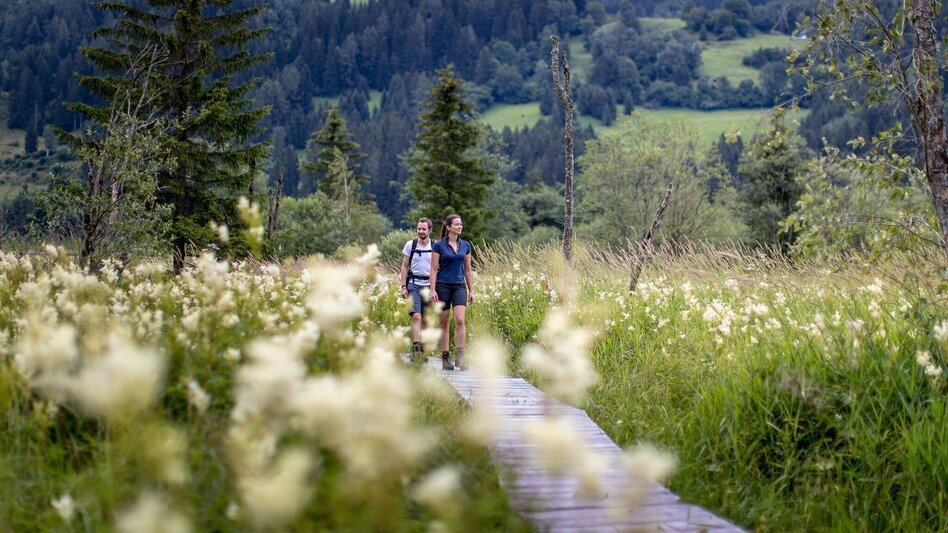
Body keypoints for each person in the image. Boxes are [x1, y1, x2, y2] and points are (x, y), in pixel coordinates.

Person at [429, 214, 474, 370]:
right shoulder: (438, 246)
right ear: (448, 227)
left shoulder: (466, 246)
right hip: (442, 286)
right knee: (444, 322)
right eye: (456, 224)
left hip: (459, 286)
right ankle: (445, 357)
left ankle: (460, 357)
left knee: (460, 320)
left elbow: (468, 270)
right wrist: (432, 289)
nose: (460, 227)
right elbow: (434, 269)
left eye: (460, 224)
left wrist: (472, 290)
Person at [400, 218, 435, 361]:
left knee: (426, 319)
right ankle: (416, 349)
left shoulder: (436, 246)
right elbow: (404, 266)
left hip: (429, 285)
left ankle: (424, 349)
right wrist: (403, 286)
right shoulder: (410, 245)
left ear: (430, 230)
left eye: (423, 229)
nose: (420, 231)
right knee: (416, 316)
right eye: (419, 228)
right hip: (413, 284)